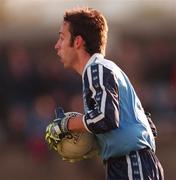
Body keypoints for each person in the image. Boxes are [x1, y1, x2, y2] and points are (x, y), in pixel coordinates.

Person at [45, 7, 164, 180]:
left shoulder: (97, 68)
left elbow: (106, 118)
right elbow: (145, 125)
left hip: (131, 164)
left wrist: (65, 125)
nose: (57, 45)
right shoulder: (101, 69)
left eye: (62, 38)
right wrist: (94, 143)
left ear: (78, 42)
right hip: (130, 163)